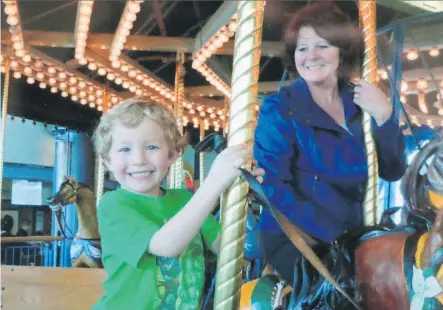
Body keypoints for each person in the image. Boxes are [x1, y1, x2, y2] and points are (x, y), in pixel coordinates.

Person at [253, 1, 407, 285]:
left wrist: (384, 116)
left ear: (341, 51)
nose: (311, 55)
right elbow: (271, 185)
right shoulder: (281, 108)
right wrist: (339, 236)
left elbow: (392, 169)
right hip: (297, 235)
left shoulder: (361, 102)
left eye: (322, 45)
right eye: (302, 48)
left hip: (354, 234)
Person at [91, 98, 264, 310]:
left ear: (172, 154)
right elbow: (165, 246)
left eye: (152, 147)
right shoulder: (114, 205)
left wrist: (241, 195)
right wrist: (214, 183)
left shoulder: (184, 199)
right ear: (107, 160)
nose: (139, 159)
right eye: (125, 150)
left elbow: (226, 246)